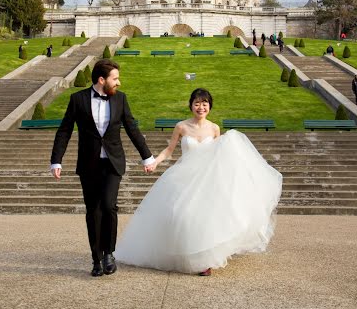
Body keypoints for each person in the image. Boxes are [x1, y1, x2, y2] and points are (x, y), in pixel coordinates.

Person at [116, 88, 282, 276]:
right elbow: (169, 150)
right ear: (191, 105)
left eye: (204, 103)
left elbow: (220, 154)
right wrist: (155, 162)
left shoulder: (214, 128)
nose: (201, 107)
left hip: (208, 180)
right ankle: (181, 253)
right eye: (197, 103)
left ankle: (205, 261)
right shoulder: (181, 126)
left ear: (210, 106)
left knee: (207, 219)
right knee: (180, 216)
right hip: (183, 177)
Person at [50, 59, 155, 277]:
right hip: (89, 164)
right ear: (101, 79)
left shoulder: (121, 99)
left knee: (109, 205)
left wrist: (147, 156)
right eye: (115, 78)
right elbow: (64, 130)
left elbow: (132, 128)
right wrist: (56, 160)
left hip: (113, 162)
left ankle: (109, 253)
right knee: (93, 211)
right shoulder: (77, 99)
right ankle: (96, 259)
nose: (119, 82)